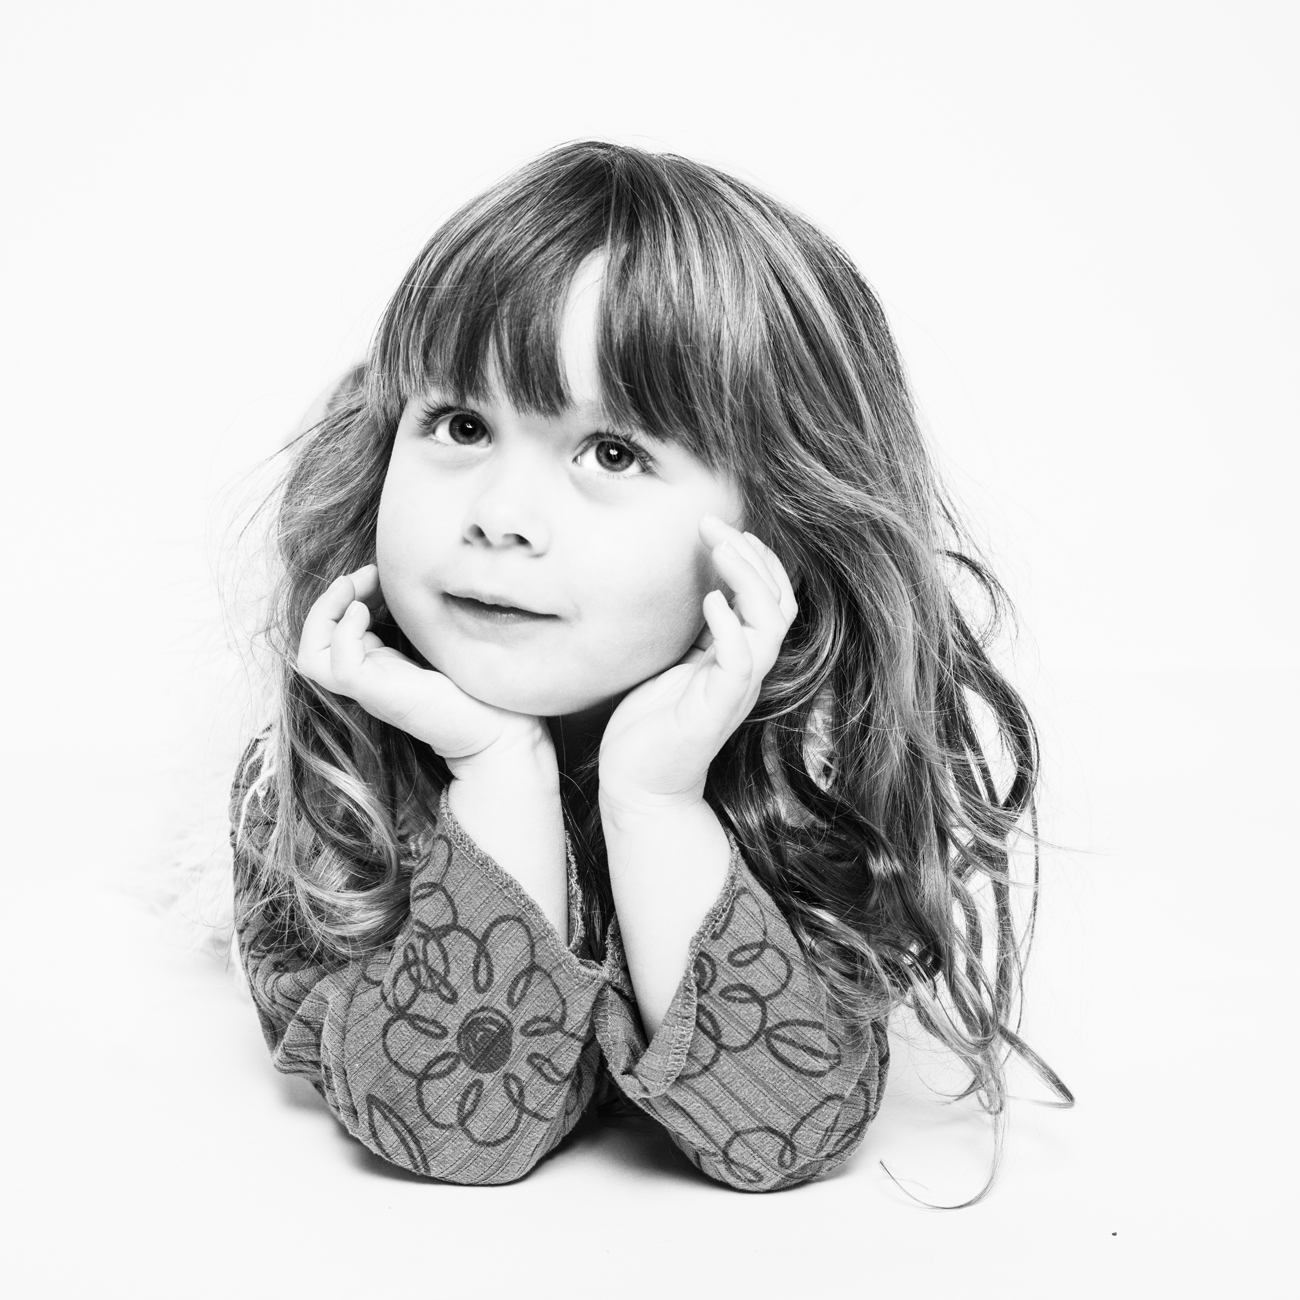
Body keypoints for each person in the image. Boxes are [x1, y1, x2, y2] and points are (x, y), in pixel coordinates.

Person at [229, 140, 1069, 1194]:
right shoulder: (324, 775)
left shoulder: (805, 764)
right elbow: (452, 1126)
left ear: (776, 525)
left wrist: (655, 801)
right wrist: (495, 766)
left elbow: (783, 1128)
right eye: (459, 424)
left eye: (613, 454)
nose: (498, 517)